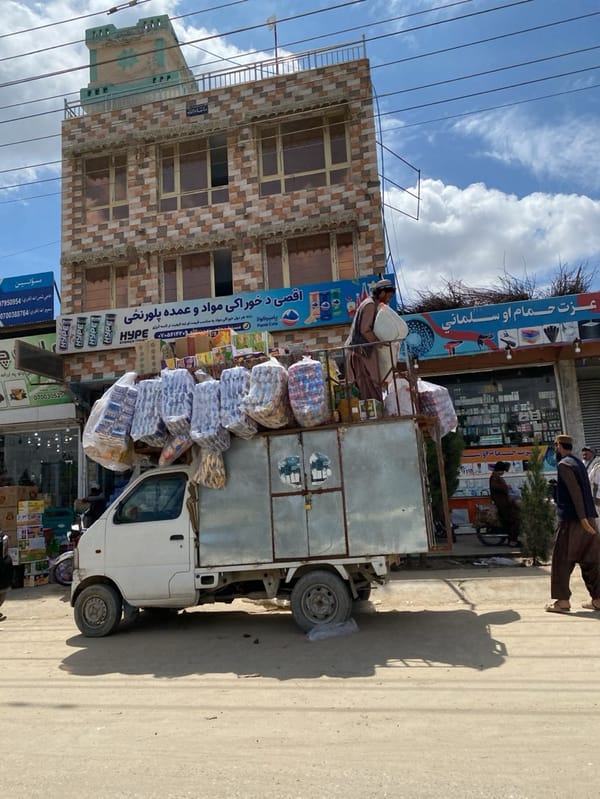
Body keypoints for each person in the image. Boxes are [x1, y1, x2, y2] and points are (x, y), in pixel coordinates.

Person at [545, 434, 600, 613]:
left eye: (555, 446)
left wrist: (582, 519)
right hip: (589, 519)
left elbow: (575, 493)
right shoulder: (578, 462)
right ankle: (598, 599)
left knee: (561, 559)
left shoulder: (564, 465)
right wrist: (588, 520)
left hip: (573, 520)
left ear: (559, 446)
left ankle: (562, 602)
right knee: (591, 560)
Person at [344, 278, 396, 402]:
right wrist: (380, 342)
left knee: (371, 383)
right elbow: (364, 330)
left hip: (362, 351)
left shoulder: (370, 304)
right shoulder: (370, 305)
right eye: (389, 296)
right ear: (382, 293)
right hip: (360, 351)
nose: (389, 299)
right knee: (368, 382)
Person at [489, 461, 520, 547]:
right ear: (499, 470)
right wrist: (506, 486)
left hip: (505, 503)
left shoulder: (497, 477)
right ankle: (512, 541)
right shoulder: (494, 477)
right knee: (515, 520)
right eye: (502, 470)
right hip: (502, 505)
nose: (503, 472)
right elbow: (494, 486)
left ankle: (512, 539)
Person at [581, 445, 600, 513]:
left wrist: (597, 498)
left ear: (593, 453)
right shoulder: (582, 463)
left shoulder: (598, 465)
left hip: (596, 498)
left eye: (587, 451)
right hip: (587, 497)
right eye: (583, 451)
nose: (584, 453)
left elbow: (598, 483)